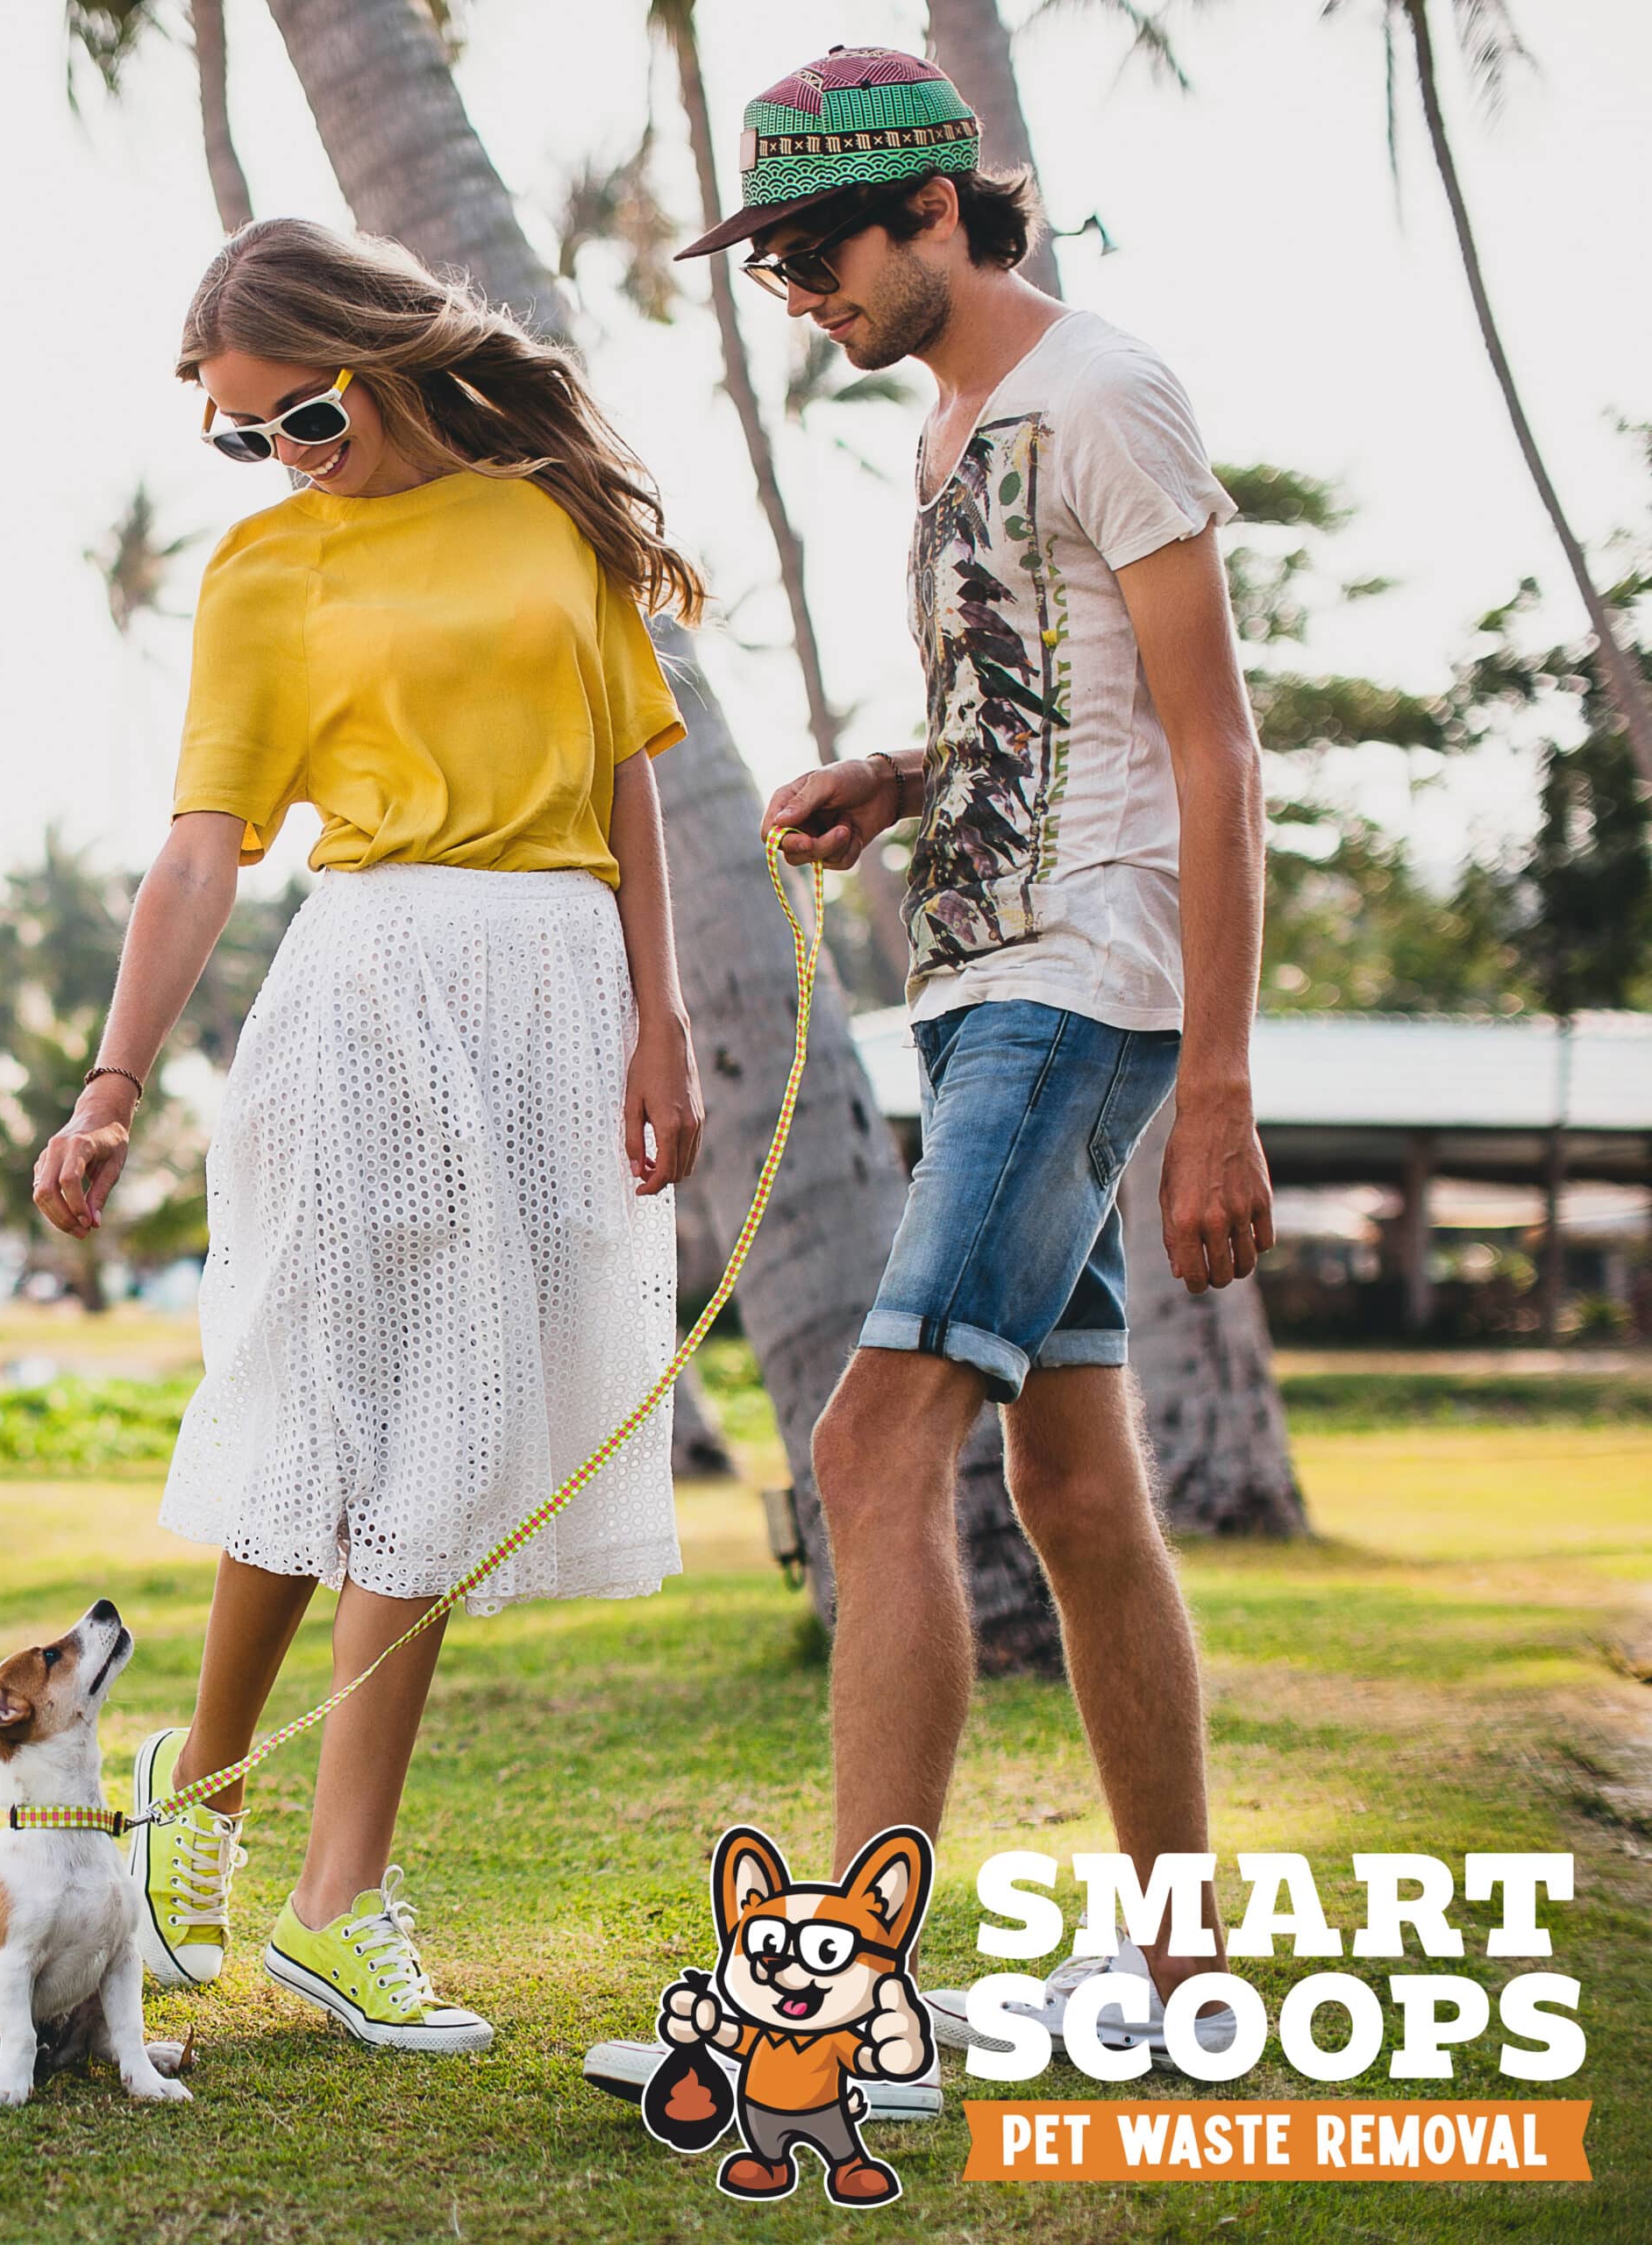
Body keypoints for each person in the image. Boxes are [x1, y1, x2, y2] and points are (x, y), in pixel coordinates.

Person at [593, 44, 1275, 2098]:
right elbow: (1038, 701)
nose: (797, 293)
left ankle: (844, 2004)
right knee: (1071, 1486)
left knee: (868, 1447)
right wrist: (897, 780)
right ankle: (1183, 1977)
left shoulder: (1105, 392)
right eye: (774, 264)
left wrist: (1217, 1090)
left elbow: (1212, 748)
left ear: (933, 211)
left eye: (817, 252)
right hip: (983, 983)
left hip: (1082, 983)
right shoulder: (954, 428)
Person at [32, 217, 705, 2056]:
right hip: (371, 990)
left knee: (443, 1425)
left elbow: (628, 781)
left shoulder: (547, 519)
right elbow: (202, 848)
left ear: (380, 360)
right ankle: (290, 1860)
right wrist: (110, 1083)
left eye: (305, 416)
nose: (284, 456)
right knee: (343, 1415)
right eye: (243, 435)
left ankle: (244, 1825)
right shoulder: (266, 570)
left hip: (555, 993)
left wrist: (660, 1018)